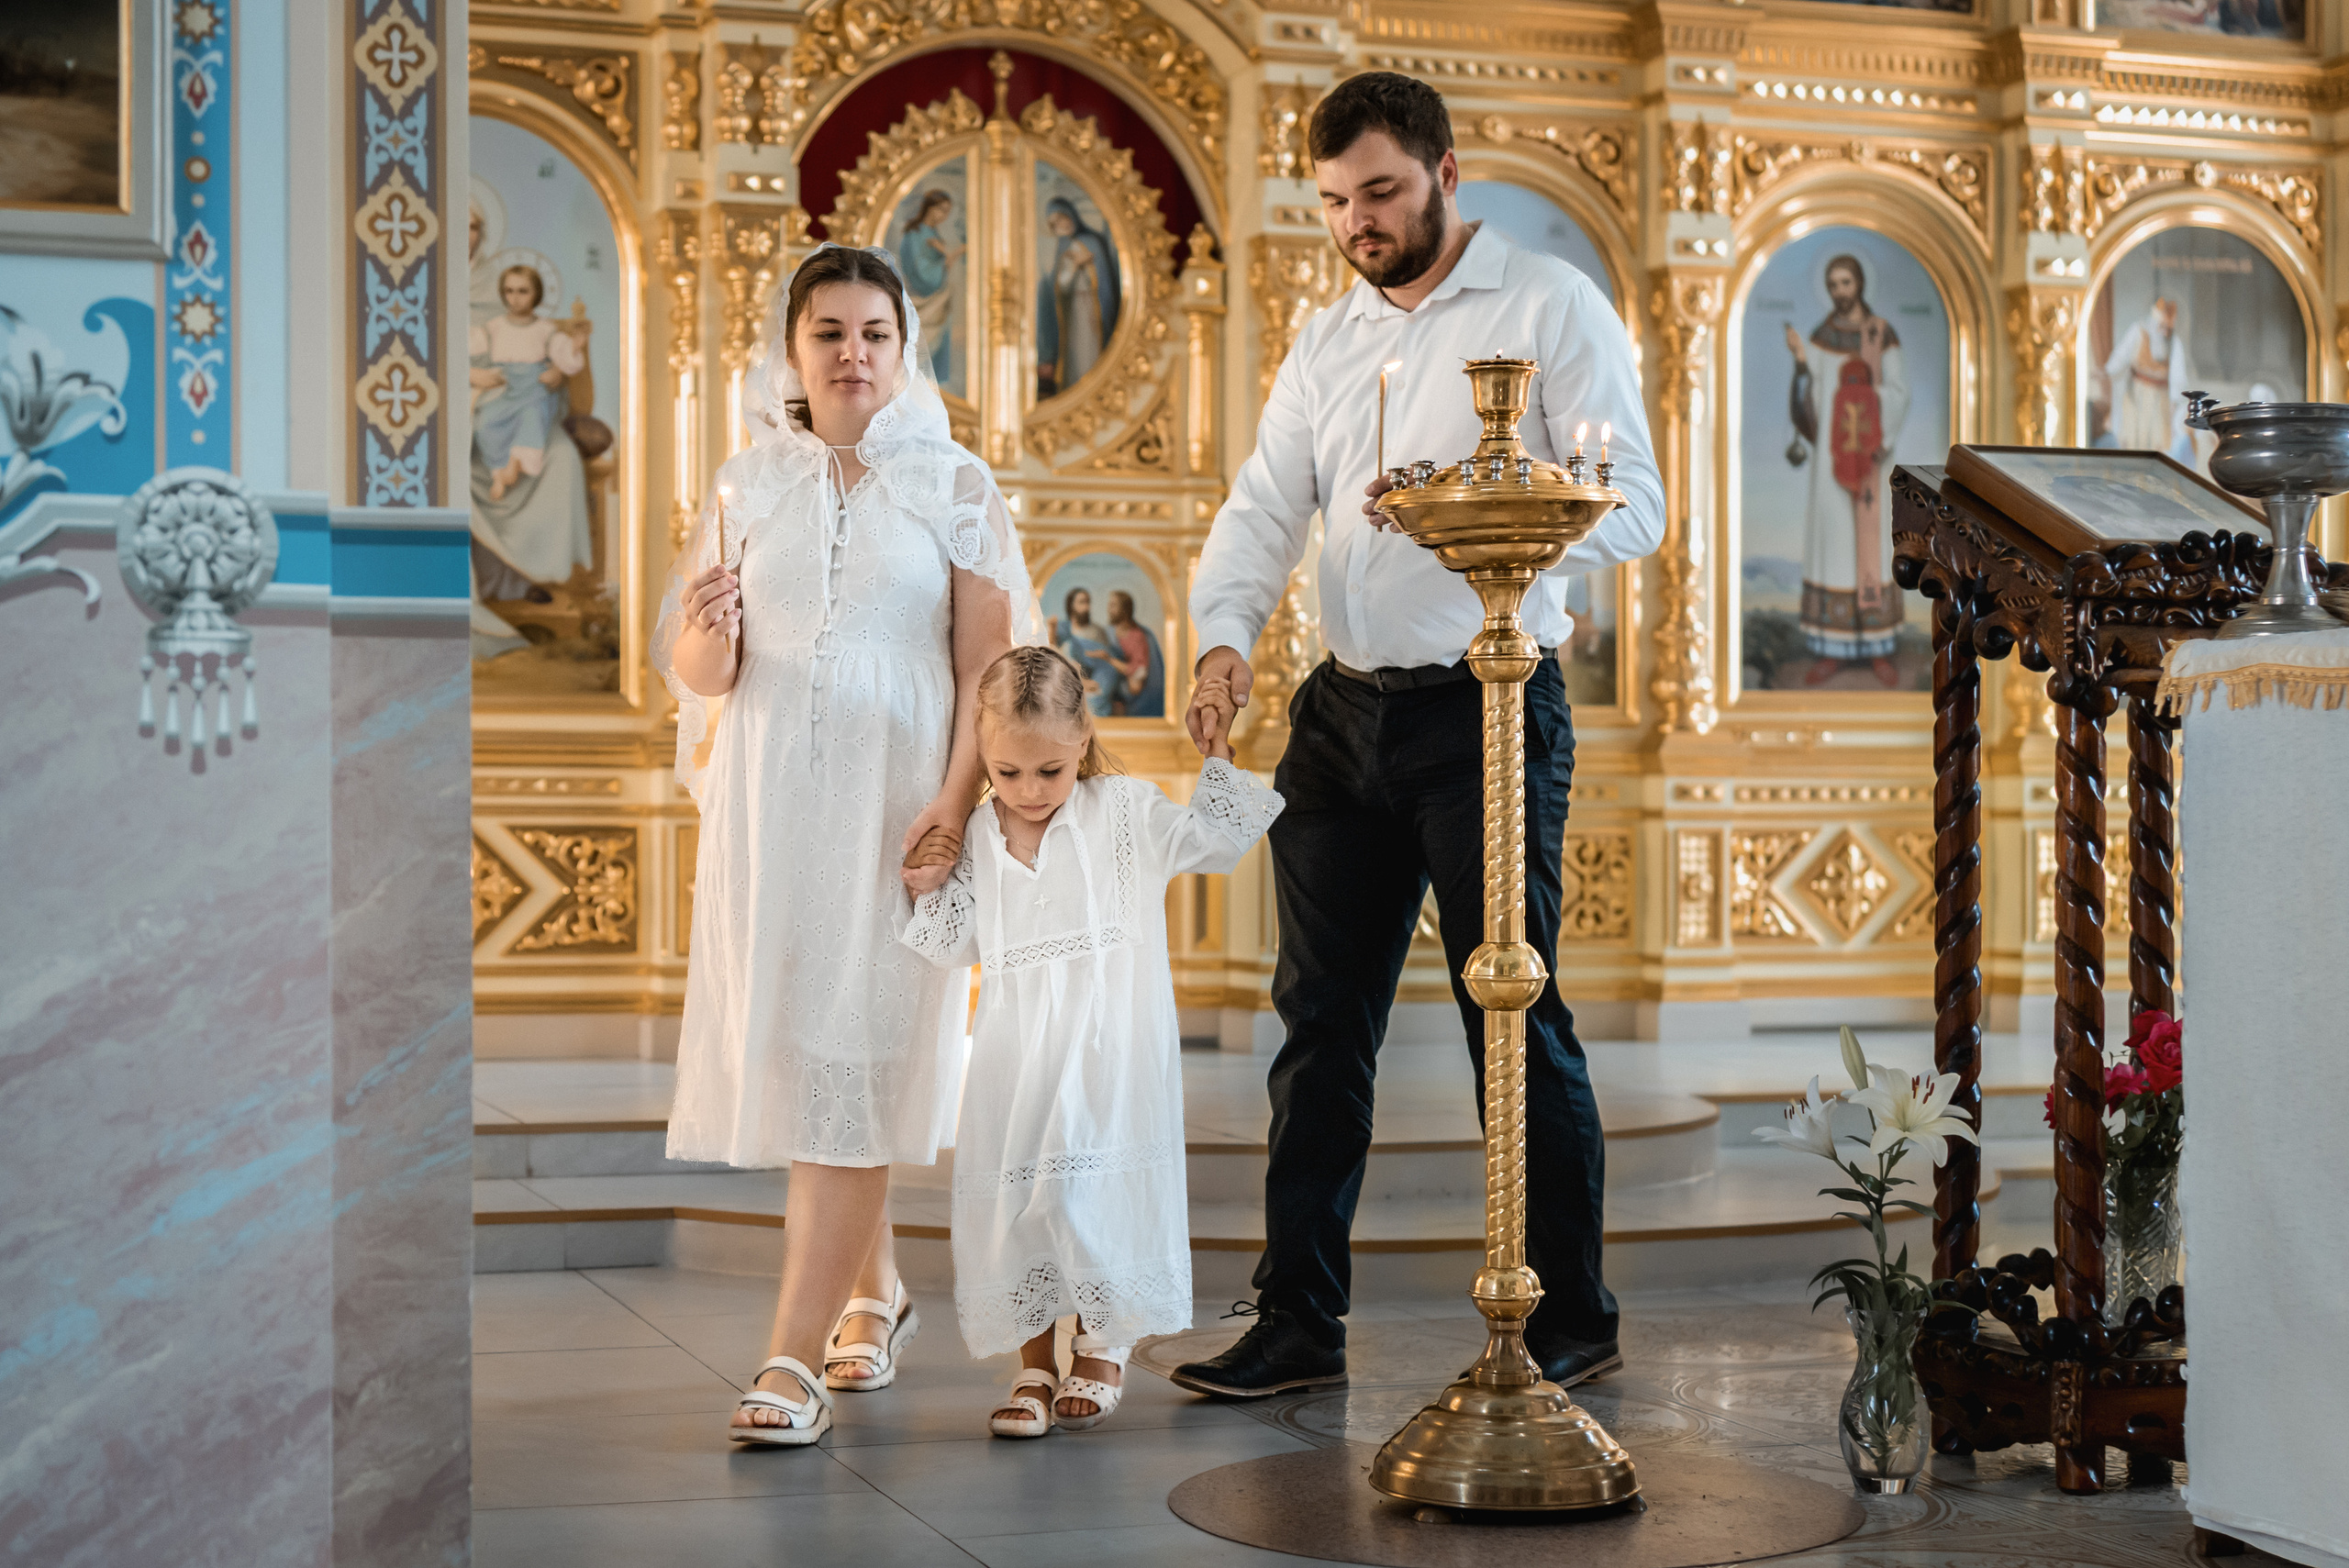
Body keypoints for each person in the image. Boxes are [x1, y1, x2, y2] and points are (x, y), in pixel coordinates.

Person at [1176, 72, 1663, 1399]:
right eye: (1335, 200)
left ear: (1448, 171)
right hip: (1340, 716)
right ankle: (1299, 1321)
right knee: (1317, 1023)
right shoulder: (1329, 333)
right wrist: (1221, 634)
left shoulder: (1549, 304)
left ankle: (1572, 1313)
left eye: (1380, 192)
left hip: (1489, 708)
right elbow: (1267, 504)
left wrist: (1468, 505)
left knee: (1512, 1010)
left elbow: (1637, 509)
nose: (1356, 222)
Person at [651, 243, 1039, 1447]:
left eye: (875, 331)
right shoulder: (744, 484)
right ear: (793, 354)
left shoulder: (957, 486)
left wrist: (954, 803)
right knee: (806, 1052)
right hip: (772, 807)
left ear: (903, 351)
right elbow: (702, 671)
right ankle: (876, 1289)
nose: (852, 352)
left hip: (893, 806)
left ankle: (792, 1355)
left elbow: (987, 662)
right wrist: (707, 633)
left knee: (854, 1056)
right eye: (829, 332)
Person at [900, 647, 1282, 1437]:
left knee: (1086, 1194)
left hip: (1111, 1050)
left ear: (1082, 741)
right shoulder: (977, 830)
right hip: (1016, 1052)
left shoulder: (1124, 812)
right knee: (1022, 1199)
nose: (1030, 792)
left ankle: (1102, 1345)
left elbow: (1216, 841)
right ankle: (1034, 1362)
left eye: (1050, 771)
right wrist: (928, 882)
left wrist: (1217, 754)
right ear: (985, 755)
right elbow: (951, 942)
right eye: (1008, 773)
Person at [1785, 254, 1908, 688]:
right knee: (1835, 546)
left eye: (1845, 282)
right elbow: (1812, 401)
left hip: (1871, 460)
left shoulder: (1880, 334)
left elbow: (1897, 391)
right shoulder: (1821, 337)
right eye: (1832, 284)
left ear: (1859, 283)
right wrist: (1802, 362)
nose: (1839, 291)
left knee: (1871, 547)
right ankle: (1831, 651)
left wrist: (1873, 424)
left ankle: (1878, 650)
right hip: (1831, 465)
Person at [467, 262, 595, 658]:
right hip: (502, 394)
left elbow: (568, 363)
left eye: (523, 291)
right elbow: (458, 355)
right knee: (486, 423)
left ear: (536, 294)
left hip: (533, 394)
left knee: (535, 417)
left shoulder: (544, 331)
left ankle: (516, 464)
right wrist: (476, 375)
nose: (515, 298)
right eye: (509, 291)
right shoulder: (491, 330)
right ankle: (500, 465)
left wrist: (566, 356)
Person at [1036, 196, 1119, 399]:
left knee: (1091, 349)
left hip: (1093, 305)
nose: (1061, 226)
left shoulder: (1093, 242)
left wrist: (1088, 264)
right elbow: (1062, 285)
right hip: (1073, 311)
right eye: (1055, 224)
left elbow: (1105, 278)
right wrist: (1075, 264)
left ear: (1071, 216)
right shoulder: (1063, 251)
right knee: (1075, 352)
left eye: (1062, 219)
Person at [2105, 297, 2196, 462]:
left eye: (2168, 328)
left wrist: (2174, 404)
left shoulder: (2173, 343)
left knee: (2157, 443)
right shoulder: (2138, 332)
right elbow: (2120, 358)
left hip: (2160, 401)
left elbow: (2178, 377)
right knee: (2133, 441)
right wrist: (2108, 372)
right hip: (2136, 396)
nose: (2164, 332)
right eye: (2161, 327)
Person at [897, 189, 963, 388]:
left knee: (940, 343)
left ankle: (938, 386)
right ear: (929, 207)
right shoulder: (915, 234)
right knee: (922, 346)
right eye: (941, 210)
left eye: (947, 212)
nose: (943, 216)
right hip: (923, 299)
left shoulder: (934, 234)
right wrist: (947, 259)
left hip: (941, 299)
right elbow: (919, 272)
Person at [1056, 587, 1123, 717]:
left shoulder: (1098, 631)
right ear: (1071, 606)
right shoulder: (1064, 630)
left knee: (1094, 700)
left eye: (1088, 602)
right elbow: (1056, 655)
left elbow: (1106, 662)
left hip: (1097, 678)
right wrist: (1081, 681)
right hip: (1072, 677)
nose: (1086, 607)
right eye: (1082, 602)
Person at [1105, 589, 1164, 718]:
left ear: (1124, 609)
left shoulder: (1136, 636)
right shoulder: (1109, 633)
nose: (1109, 609)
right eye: (1109, 605)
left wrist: (1109, 660)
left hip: (1130, 693)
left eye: (1113, 605)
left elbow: (1139, 671)